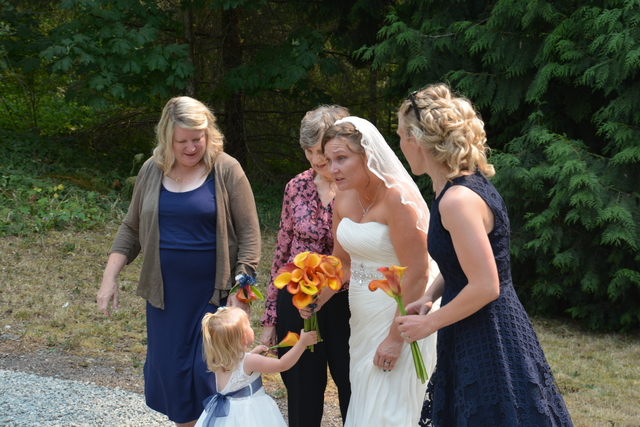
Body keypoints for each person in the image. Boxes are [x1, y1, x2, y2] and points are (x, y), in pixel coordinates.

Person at [395, 83, 574, 426]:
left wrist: (428, 323)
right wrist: (430, 296)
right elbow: (461, 261)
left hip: (488, 332)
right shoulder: (453, 187)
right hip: (468, 324)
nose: (400, 144)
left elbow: (486, 285)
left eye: (402, 135)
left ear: (417, 140)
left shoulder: (458, 200)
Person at [97, 96, 261, 427]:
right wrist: (109, 278)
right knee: (174, 379)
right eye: (182, 141)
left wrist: (242, 292)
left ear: (208, 134)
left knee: (211, 377)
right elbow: (131, 229)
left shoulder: (226, 169)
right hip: (166, 299)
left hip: (214, 298)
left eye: (197, 139)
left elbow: (249, 235)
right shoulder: (151, 170)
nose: (191, 148)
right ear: (167, 137)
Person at [310, 116, 439, 427]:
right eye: (328, 160)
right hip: (363, 319)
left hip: (401, 313)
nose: (332, 169)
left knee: (392, 411)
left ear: (366, 155)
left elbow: (418, 273)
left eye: (341, 158)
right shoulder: (343, 195)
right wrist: (317, 299)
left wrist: (396, 338)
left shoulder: (397, 198)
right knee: (367, 402)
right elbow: (342, 262)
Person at [259, 105, 352, 427]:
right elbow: (282, 251)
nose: (316, 160)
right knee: (301, 391)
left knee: (352, 387)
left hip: (346, 302)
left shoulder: (359, 187)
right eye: (308, 151)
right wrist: (270, 317)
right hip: (297, 301)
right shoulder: (296, 186)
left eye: (321, 152)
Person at [194, 307, 317, 427]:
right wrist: (302, 343)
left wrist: (252, 353)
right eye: (249, 325)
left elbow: (239, 371)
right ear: (244, 337)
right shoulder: (250, 361)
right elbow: (282, 364)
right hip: (249, 413)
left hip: (229, 414)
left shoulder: (219, 361)